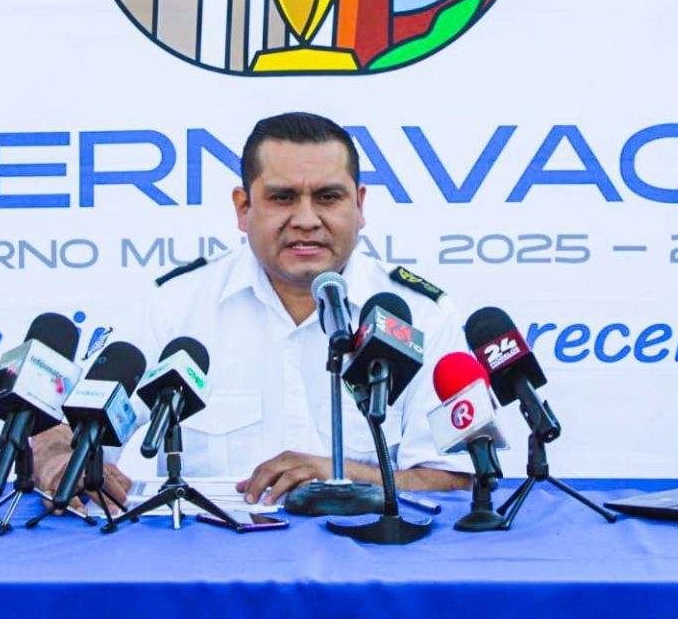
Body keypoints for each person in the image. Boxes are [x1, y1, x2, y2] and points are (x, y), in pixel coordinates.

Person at [31, 111, 471, 509]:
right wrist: (56, 462)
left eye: (328, 197)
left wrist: (338, 475)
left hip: (372, 561)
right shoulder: (174, 306)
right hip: (208, 560)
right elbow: (64, 430)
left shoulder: (421, 315)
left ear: (359, 205)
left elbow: (456, 480)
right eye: (282, 198)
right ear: (244, 208)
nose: (306, 219)